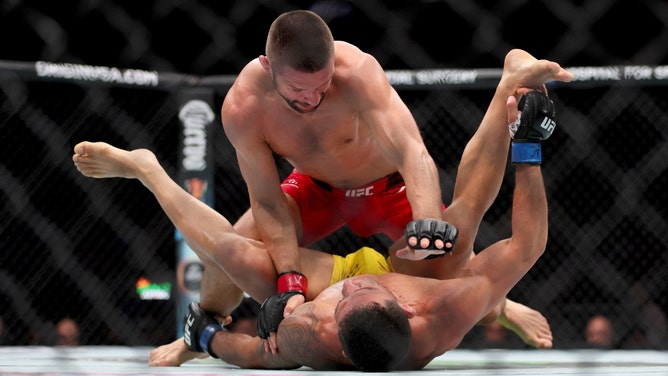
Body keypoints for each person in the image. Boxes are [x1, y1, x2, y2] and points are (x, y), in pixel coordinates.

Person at [73, 49, 572, 370]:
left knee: (233, 253)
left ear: (331, 321)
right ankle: (508, 85)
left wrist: (208, 336)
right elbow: (525, 245)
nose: (354, 281)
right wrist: (527, 150)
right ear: (403, 306)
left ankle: (149, 171)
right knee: (461, 234)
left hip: (360, 207)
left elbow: (254, 355)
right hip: (352, 194)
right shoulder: (441, 313)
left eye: (344, 297)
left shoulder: (311, 334)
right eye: (362, 290)